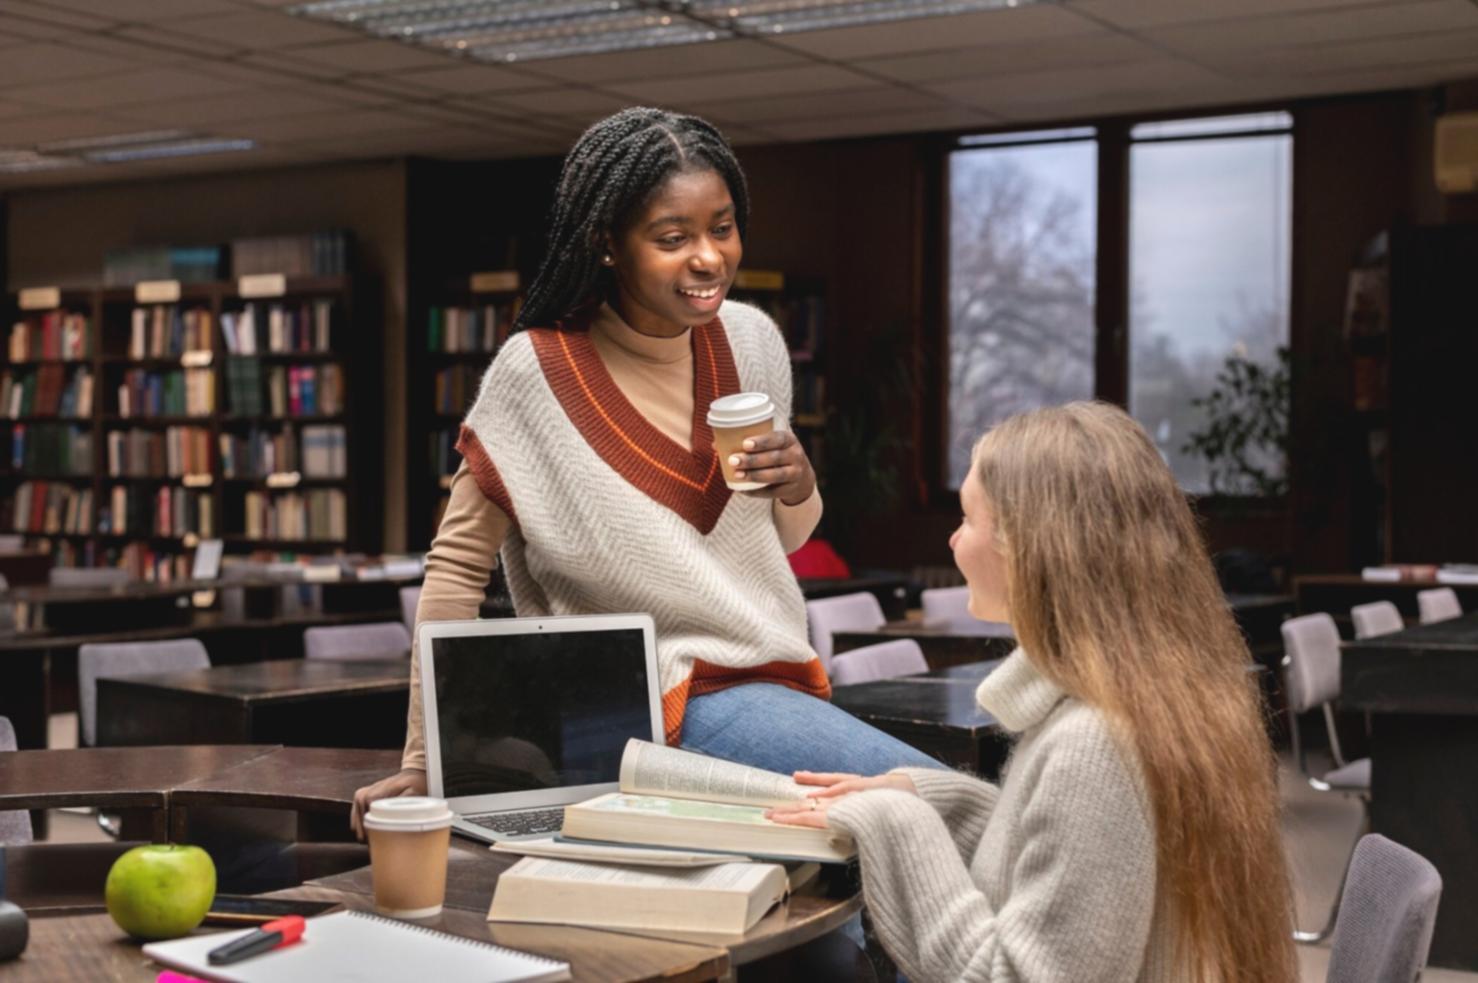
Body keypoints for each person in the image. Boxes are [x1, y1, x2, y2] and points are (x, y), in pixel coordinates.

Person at [352, 107, 937, 835]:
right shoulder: (534, 371)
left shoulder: (753, 341)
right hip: (646, 707)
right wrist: (423, 759)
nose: (709, 257)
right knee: (936, 802)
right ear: (607, 244)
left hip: (775, 683)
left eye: (722, 228)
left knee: (871, 859)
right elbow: (456, 567)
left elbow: (779, 539)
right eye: (673, 238)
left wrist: (799, 484)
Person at [770, 402, 1297, 983]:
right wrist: (930, 798)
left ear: (1027, 546)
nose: (952, 540)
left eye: (967, 519)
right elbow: (1080, 860)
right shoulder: (1153, 693)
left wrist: (898, 824)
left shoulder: (1091, 747)